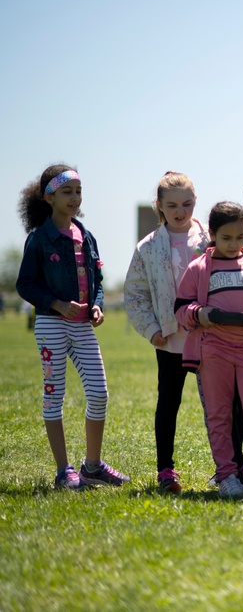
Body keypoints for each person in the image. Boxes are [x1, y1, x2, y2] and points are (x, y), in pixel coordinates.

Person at [16, 164, 131, 489]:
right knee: (54, 396)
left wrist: (97, 304)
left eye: (78, 191)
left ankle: (92, 467)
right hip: (52, 325)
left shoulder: (86, 235)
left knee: (99, 394)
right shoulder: (39, 238)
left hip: (83, 328)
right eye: (67, 192)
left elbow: (97, 279)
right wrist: (57, 304)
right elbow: (25, 284)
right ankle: (63, 470)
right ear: (49, 197)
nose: (75, 197)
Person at [174, 201, 243, 498]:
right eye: (226, 238)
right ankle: (227, 475)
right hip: (214, 350)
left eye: (239, 237)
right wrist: (200, 313)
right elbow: (181, 309)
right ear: (212, 234)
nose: (234, 244)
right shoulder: (198, 268)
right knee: (219, 415)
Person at [124, 171, 210, 492]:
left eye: (187, 204)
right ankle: (165, 470)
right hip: (170, 341)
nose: (180, 211)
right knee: (168, 403)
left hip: (208, 339)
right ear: (158, 205)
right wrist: (151, 329)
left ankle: (226, 466)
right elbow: (135, 294)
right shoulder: (148, 247)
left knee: (217, 404)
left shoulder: (210, 240)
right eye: (172, 205)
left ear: (195, 203)